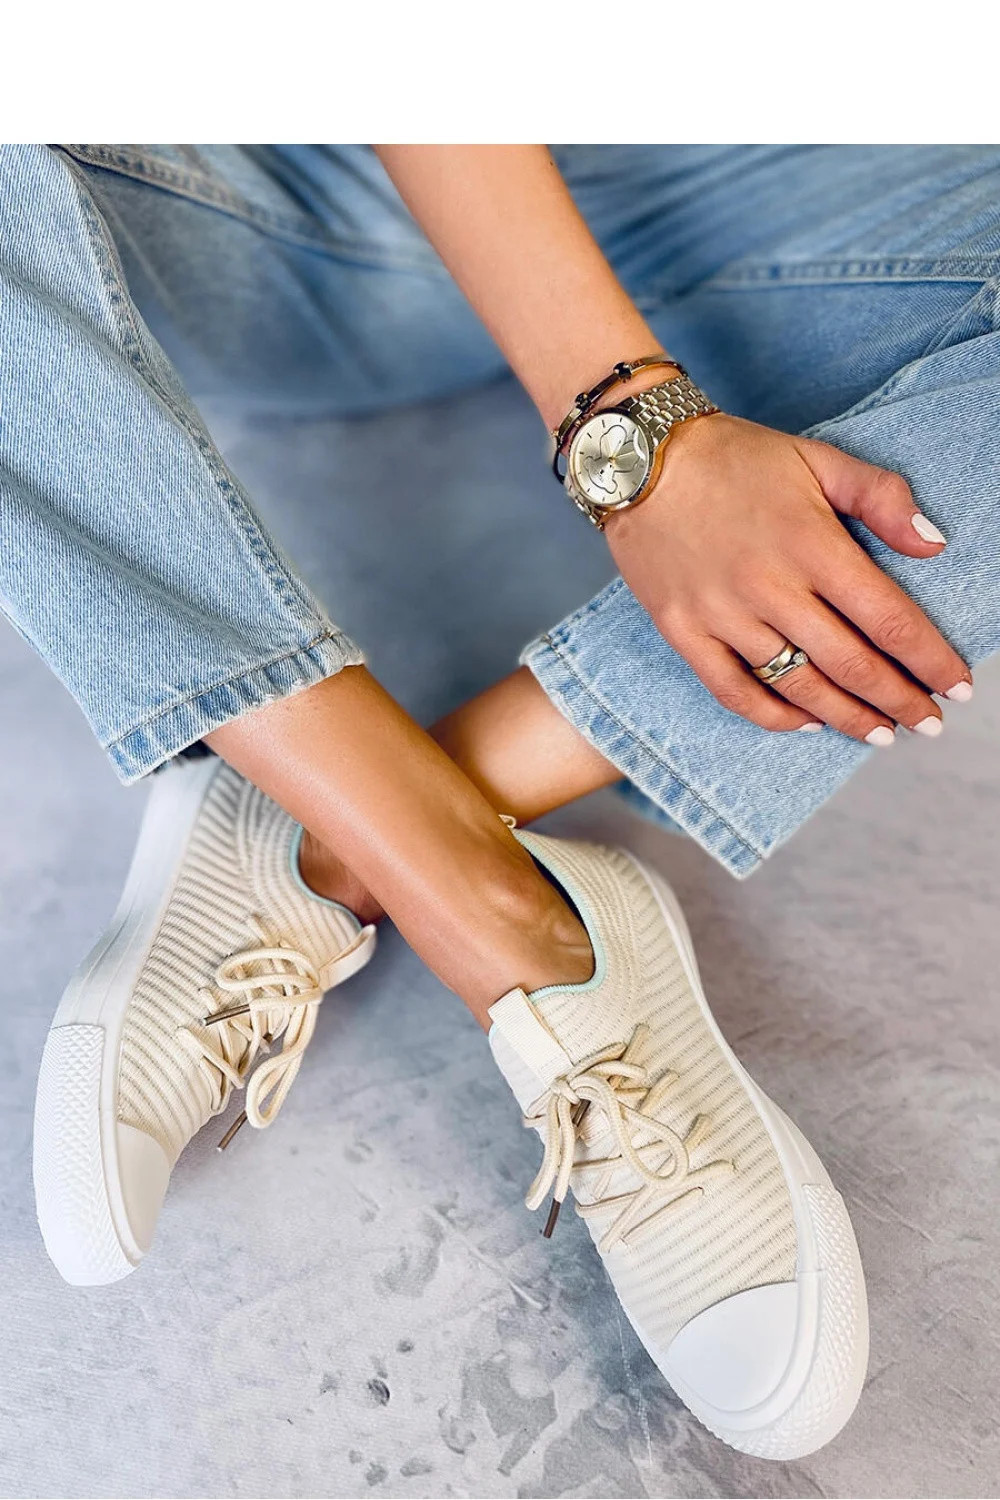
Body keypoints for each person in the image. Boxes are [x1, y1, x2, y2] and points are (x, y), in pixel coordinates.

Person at [8, 144, 997, 1460]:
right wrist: (640, 439)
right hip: (298, 196)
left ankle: (334, 828)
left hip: (818, 182)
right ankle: (500, 920)